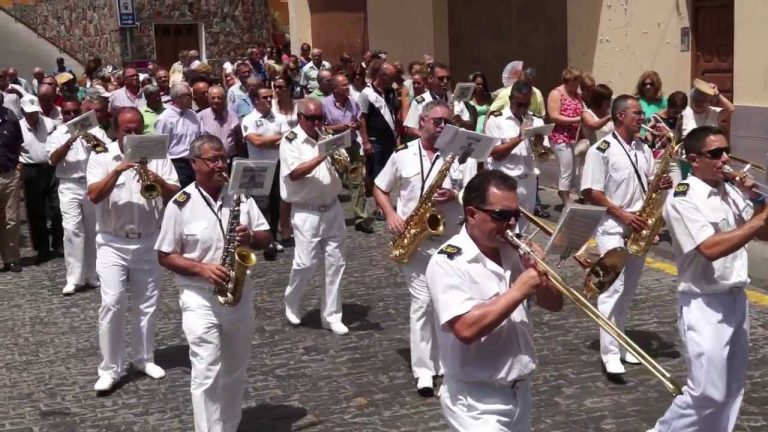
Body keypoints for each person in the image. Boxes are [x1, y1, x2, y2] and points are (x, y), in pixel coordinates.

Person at [649, 126, 768, 432]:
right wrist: (761, 218)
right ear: (694, 159)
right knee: (706, 392)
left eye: (725, 151)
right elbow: (710, 248)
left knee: (731, 390)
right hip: (704, 304)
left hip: (735, 299)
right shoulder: (683, 198)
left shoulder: (728, 190)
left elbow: (762, 233)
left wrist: (756, 201)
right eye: (715, 154)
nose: (725, 159)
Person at [426, 169, 563, 431]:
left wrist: (540, 273)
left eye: (515, 215)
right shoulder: (447, 262)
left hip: (520, 394)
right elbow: (465, 328)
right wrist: (518, 290)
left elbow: (555, 304)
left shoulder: (512, 251)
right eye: (501, 215)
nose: (511, 224)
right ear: (471, 214)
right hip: (476, 403)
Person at [156, 134, 271, 432]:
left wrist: (251, 238)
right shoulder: (180, 205)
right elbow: (165, 256)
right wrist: (201, 269)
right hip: (199, 298)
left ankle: (229, 426)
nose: (221, 165)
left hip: (239, 295)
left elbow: (265, 237)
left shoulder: (240, 196)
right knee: (206, 370)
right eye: (213, 159)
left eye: (223, 158)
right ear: (194, 163)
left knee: (235, 370)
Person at [374, 100, 476, 397]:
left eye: (447, 122)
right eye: (437, 122)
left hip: (451, 241)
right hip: (416, 242)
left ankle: (446, 364)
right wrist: (392, 215)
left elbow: (475, 193)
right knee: (422, 305)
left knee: (448, 304)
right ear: (423, 121)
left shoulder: (461, 156)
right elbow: (379, 187)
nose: (443, 127)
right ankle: (423, 371)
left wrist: (456, 194)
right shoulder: (403, 154)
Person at [87, 107, 180, 393]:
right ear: (116, 130)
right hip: (112, 241)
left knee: (147, 305)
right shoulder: (101, 156)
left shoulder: (156, 154)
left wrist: (155, 177)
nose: (133, 135)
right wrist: (118, 169)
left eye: (138, 129)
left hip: (149, 239)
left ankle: (144, 358)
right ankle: (110, 368)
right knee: (113, 303)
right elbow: (93, 195)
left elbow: (175, 193)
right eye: (127, 130)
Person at [580, 94, 672, 378]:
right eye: (637, 113)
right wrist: (621, 214)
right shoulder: (602, 149)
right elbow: (590, 191)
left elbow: (646, 183)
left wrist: (661, 183)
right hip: (613, 227)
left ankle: (620, 344)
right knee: (611, 291)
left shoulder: (642, 148)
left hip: (639, 226)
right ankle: (609, 354)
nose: (642, 118)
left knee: (628, 291)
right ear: (620, 116)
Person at [280, 98, 348, 335]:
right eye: (312, 119)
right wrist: (323, 154)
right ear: (300, 118)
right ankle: (292, 300)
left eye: (320, 118)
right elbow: (295, 173)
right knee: (305, 263)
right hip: (306, 211)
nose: (317, 123)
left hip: (333, 208)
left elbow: (343, 165)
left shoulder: (326, 136)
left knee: (336, 264)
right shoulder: (290, 141)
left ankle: (331, 316)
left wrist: (340, 160)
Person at [47, 98, 107, 295]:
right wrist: (70, 141)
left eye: (74, 112)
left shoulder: (95, 130)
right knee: (72, 230)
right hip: (69, 184)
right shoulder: (57, 134)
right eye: (67, 113)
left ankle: (91, 275)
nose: (71, 116)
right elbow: (53, 160)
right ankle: (73, 278)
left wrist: (90, 137)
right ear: (62, 114)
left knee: (92, 230)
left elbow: (105, 152)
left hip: (90, 183)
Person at [486, 81, 550, 233]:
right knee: (505, 228)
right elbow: (495, 154)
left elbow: (543, 155)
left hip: (528, 180)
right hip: (506, 181)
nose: (522, 109)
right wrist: (519, 138)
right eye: (518, 104)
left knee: (525, 230)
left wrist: (540, 143)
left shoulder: (536, 121)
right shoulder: (496, 120)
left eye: (526, 105)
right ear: (510, 99)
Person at [242, 83, 288, 258]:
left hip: (277, 165)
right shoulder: (249, 119)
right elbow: (256, 142)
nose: (269, 100)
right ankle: (263, 239)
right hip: (257, 167)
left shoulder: (279, 118)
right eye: (265, 97)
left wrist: (269, 139)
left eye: (271, 96)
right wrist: (278, 138)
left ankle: (273, 238)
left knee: (276, 203)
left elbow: (288, 139)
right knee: (262, 205)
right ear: (255, 101)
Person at [322, 74, 370, 234]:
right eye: (343, 85)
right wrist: (340, 126)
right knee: (332, 183)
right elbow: (321, 127)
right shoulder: (324, 104)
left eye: (347, 84)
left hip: (352, 145)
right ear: (335, 88)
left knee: (357, 182)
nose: (347, 87)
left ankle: (360, 219)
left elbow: (360, 120)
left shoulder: (353, 102)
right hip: (334, 147)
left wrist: (363, 137)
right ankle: (331, 219)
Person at [19, 95, 63, 264]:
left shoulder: (50, 124)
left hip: (51, 168)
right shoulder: (19, 127)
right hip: (31, 170)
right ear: (23, 111)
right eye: (29, 113)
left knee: (57, 207)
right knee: (36, 211)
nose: (33, 116)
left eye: (35, 112)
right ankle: (42, 248)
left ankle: (58, 243)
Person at [359, 62, 398, 221]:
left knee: (389, 174)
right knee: (377, 173)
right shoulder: (366, 93)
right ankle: (379, 207)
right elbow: (362, 118)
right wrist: (366, 141)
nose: (393, 81)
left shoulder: (391, 92)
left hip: (390, 139)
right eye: (391, 77)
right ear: (382, 76)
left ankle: (385, 202)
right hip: (376, 141)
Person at [403, 62, 472, 139]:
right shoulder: (420, 102)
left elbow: (469, 125)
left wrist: (461, 121)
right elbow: (409, 129)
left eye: (447, 78)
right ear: (431, 79)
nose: (445, 81)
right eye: (441, 79)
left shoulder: (456, 100)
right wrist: (427, 138)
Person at [547, 67, 584, 208]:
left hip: (573, 136)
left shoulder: (576, 94)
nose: (578, 85)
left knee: (574, 168)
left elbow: (582, 110)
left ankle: (567, 192)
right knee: (566, 168)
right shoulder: (556, 93)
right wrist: (575, 119)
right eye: (576, 82)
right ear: (569, 81)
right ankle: (564, 196)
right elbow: (554, 116)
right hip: (560, 137)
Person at [154, 83, 202, 188]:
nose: (192, 97)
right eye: (189, 95)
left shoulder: (193, 115)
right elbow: (160, 147)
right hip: (177, 165)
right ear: (179, 97)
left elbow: (201, 136)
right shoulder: (165, 119)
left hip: (195, 163)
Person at [0, 93, 23, 272]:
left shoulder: (10, 118)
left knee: (12, 219)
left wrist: (18, 167)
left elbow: (18, 143)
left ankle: (12, 258)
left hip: (9, 174)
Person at [197, 86, 242, 158]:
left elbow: (239, 140)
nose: (216, 100)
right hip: (210, 161)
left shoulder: (233, 116)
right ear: (208, 99)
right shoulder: (200, 117)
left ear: (224, 99)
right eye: (213, 98)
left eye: (219, 97)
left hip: (230, 159)